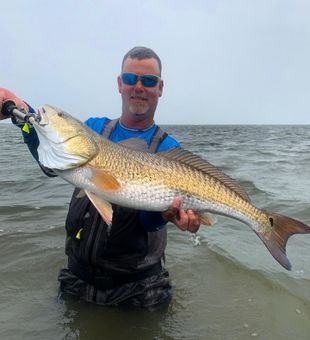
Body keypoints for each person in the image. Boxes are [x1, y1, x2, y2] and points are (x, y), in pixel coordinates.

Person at [0, 46, 200, 308]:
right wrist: (22, 114)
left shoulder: (167, 149)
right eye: (130, 79)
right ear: (120, 84)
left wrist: (168, 215)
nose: (138, 86)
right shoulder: (94, 128)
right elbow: (50, 159)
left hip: (138, 290)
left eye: (148, 81)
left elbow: (148, 223)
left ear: (160, 88)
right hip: (77, 279)